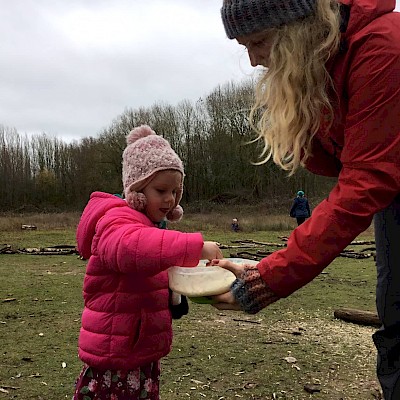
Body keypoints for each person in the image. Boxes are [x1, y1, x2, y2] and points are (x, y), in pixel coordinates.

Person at [214, 0, 400, 398]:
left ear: (294, 29)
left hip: (390, 193)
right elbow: (337, 163)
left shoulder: (384, 49)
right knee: (395, 327)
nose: (253, 62)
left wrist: (269, 278)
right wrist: (306, 99)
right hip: (393, 203)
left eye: (258, 43)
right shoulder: (331, 59)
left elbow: (365, 179)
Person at [73, 125, 223, 400]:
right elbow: (133, 249)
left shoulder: (150, 227)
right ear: (137, 189)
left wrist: (177, 296)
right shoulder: (115, 221)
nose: (170, 199)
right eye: (161, 190)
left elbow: (152, 265)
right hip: (115, 357)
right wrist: (195, 246)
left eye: (176, 191)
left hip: (139, 352)